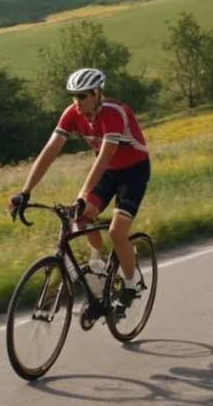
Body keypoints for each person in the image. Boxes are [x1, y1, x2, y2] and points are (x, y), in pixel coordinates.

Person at [8, 67, 150, 307]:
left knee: (117, 232)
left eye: (82, 96)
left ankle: (132, 282)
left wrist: (83, 195)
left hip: (133, 172)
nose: (77, 102)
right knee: (79, 217)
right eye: (73, 96)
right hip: (108, 172)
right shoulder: (72, 114)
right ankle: (98, 264)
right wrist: (25, 191)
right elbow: (50, 152)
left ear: (97, 94)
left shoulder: (114, 113)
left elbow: (104, 157)